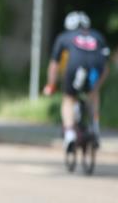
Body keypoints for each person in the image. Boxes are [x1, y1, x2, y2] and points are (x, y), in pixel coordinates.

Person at [42, 11, 110, 151]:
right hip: (96, 68)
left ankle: (70, 134)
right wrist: (97, 86)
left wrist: (51, 85)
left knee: (68, 98)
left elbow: (54, 65)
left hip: (75, 67)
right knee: (93, 94)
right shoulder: (98, 36)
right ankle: (95, 126)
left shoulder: (64, 37)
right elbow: (105, 67)